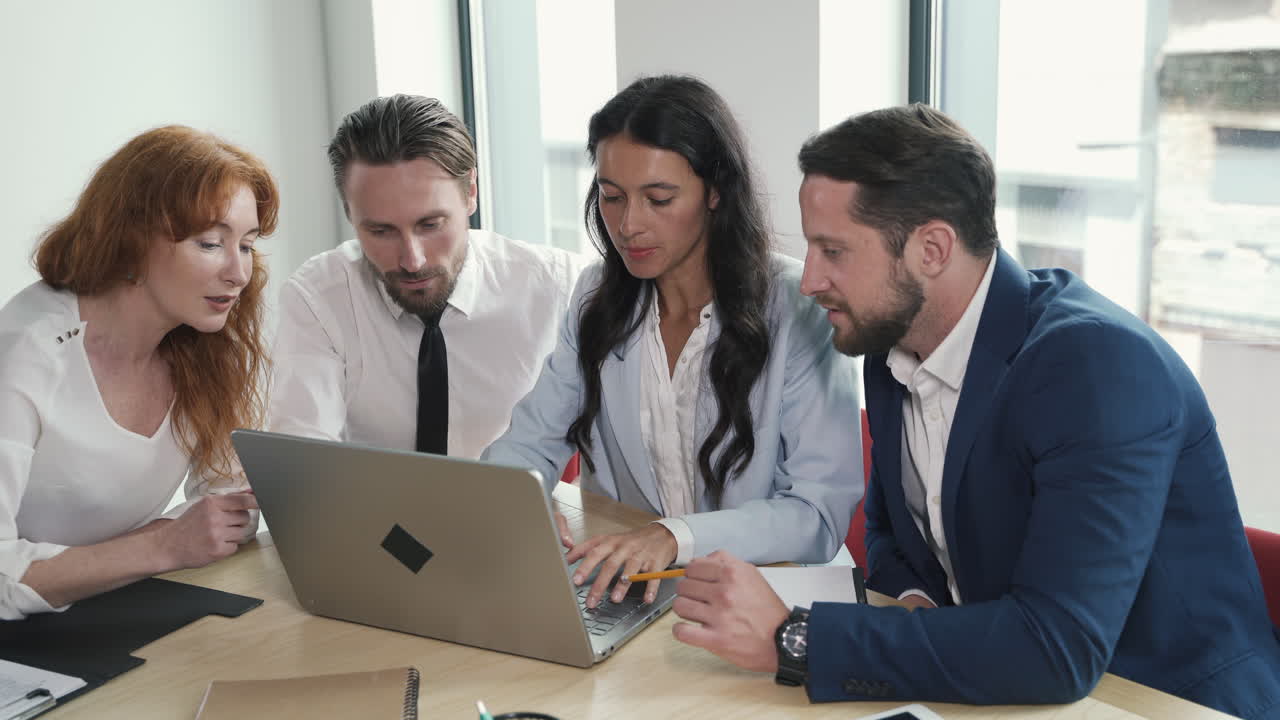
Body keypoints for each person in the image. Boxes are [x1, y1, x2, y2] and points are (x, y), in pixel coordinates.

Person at [668, 104, 1280, 719]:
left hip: (1158, 700)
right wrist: (913, 602)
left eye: (834, 251)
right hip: (999, 691)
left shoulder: (1095, 365)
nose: (809, 280)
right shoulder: (891, 341)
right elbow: (890, 532)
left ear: (932, 248)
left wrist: (795, 638)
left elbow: (1056, 648)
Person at [482, 75, 862, 610]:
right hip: (638, 599)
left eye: (658, 199)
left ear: (714, 192)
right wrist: (516, 500)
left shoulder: (798, 307)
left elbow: (816, 515)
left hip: (775, 602)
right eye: (611, 198)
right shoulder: (596, 294)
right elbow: (532, 438)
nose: (629, 225)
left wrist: (672, 535)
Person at [0, 126, 274, 620]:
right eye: (211, 243)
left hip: (110, 610)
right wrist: (164, 545)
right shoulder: (24, 354)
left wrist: (173, 541)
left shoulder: (203, 342)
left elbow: (231, 505)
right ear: (131, 239)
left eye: (248, 245)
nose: (238, 272)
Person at [267, 94, 588, 460]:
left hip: (516, 512)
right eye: (381, 231)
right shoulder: (319, 298)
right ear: (349, 212)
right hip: (371, 515)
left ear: (470, 193)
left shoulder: (559, 286)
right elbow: (305, 460)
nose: (412, 260)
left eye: (430, 224)